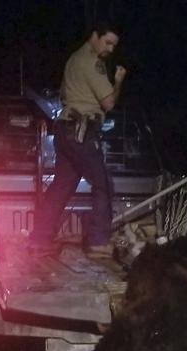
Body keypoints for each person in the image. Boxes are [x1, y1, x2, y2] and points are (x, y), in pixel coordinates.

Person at [27, 22, 127, 259]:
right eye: (107, 42)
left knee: (62, 185)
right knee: (103, 183)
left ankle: (39, 239)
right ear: (95, 36)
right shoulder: (93, 63)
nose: (110, 49)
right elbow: (109, 103)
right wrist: (119, 80)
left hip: (65, 128)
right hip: (81, 131)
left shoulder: (73, 60)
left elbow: (63, 94)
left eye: (114, 45)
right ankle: (98, 241)